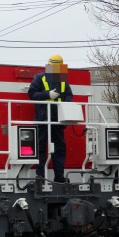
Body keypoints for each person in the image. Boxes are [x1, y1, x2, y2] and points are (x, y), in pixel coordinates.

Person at [28, 54, 73, 183]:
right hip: (43, 118)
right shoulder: (40, 77)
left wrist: (67, 108)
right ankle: (40, 177)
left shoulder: (63, 80)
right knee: (41, 147)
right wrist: (47, 94)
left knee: (59, 148)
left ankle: (59, 176)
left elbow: (69, 96)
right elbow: (32, 94)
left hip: (58, 120)